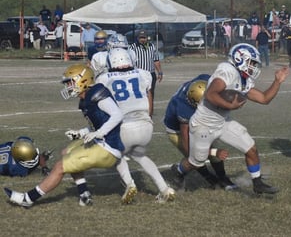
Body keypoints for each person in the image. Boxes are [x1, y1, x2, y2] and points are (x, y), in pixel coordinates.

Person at [170, 43, 290, 194]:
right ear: (240, 58)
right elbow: (210, 94)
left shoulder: (244, 79)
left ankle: (257, 182)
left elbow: (265, 98)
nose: (253, 66)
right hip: (203, 124)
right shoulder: (228, 71)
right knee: (196, 161)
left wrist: (277, 81)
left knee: (250, 147)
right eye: (251, 62)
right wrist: (230, 105)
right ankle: (179, 172)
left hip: (222, 122)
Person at [4, 64, 127, 207]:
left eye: (70, 82)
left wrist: (99, 133)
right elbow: (98, 123)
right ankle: (84, 194)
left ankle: (28, 199)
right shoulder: (85, 99)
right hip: (102, 142)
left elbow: (118, 115)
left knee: (59, 167)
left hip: (108, 148)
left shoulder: (97, 92)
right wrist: (81, 132)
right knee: (66, 152)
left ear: (83, 80)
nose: (68, 86)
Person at [97, 48, 176, 203]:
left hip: (124, 126)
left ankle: (129, 184)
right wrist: (148, 117)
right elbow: (149, 97)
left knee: (116, 156)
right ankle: (164, 188)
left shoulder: (104, 78)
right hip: (144, 124)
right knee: (139, 155)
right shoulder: (143, 74)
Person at [163, 74, 236, 190]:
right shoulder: (184, 108)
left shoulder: (206, 80)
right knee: (196, 157)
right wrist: (212, 152)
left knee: (212, 146)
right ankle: (182, 173)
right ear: (193, 103)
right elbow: (189, 146)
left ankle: (223, 178)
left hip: (197, 122)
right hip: (176, 130)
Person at [129, 30, 163, 116]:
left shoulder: (152, 46)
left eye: (144, 37)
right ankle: (138, 112)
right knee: (138, 93)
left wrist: (160, 72)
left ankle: (149, 114)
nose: (142, 40)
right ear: (137, 38)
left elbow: (156, 60)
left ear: (147, 37)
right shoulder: (132, 47)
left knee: (150, 94)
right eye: (141, 38)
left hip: (150, 74)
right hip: (138, 75)